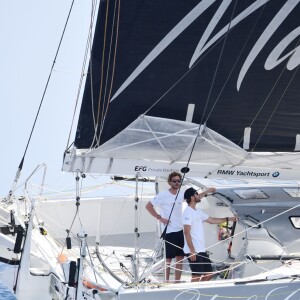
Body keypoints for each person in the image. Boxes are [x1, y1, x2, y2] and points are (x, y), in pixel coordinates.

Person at [183, 187, 237, 282]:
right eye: (196, 194)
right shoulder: (187, 212)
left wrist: (229, 219)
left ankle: (199, 290)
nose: (199, 196)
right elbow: (186, 232)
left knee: (209, 274)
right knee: (196, 276)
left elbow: (212, 220)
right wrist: (192, 250)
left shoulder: (198, 211)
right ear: (192, 197)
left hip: (201, 249)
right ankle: (191, 294)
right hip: (193, 250)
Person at [146, 172, 185, 283]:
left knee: (180, 258)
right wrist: (159, 218)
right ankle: (166, 281)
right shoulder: (162, 195)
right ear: (169, 182)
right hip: (169, 231)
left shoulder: (181, 194)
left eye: (179, 181)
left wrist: (206, 192)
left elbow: (194, 198)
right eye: (174, 181)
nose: (177, 183)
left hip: (180, 230)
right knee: (168, 259)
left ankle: (177, 281)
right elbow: (148, 206)